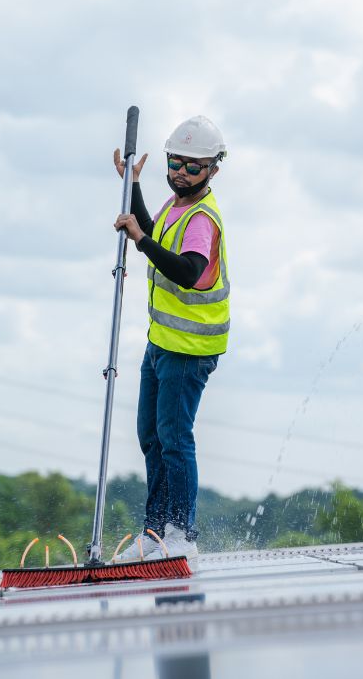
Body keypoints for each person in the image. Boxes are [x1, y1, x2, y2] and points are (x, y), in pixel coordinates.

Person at [111, 115, 230, 569]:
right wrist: (134, 187)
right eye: (174, 162)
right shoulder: (175, 206)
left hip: (189, 349)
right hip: (161, 343)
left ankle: (181, 533)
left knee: (175, 439)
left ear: (212, 170)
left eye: (192, 166)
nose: (181, 172)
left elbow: (188, 269)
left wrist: (140, 240)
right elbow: (151, 231)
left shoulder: (202, 218)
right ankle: (155, 531)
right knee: (151, 435)